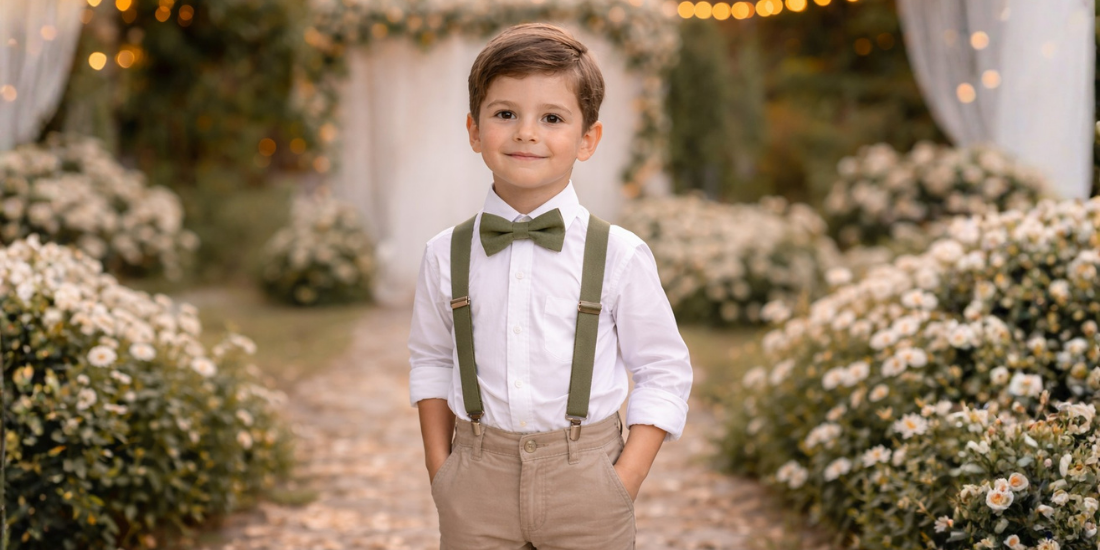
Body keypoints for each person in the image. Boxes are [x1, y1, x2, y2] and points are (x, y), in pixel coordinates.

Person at [407, 22, 693, 549]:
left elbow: (662, 369)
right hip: (475, 480)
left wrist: (621, 482)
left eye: (552, 118)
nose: (526, 133)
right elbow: (432, 359)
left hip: (588, 481)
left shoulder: (619, 255)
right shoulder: (444, 253)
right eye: (505, 113)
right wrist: (440, 471)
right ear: (474, 130)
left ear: (588, 139)